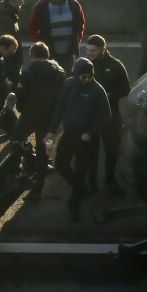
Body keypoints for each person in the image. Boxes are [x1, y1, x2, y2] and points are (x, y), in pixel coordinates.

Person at [46, 57, 112, 221]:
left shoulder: (98, 90)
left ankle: (74, 204)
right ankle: (80, 187)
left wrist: (90, 132)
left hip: (87, 137)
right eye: (83, 77)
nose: (87, 79)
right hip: (70, 133)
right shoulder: (68, 84)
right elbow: (59, 107)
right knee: (61, 164)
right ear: (76, 74)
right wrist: (51, 132)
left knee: (81, 169)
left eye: (89, 76)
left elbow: (106, 117)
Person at [13, 42, 65, 199]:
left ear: (33, 55)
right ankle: (38, 185)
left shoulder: (28, 73)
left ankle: (21, 168)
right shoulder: (59, 71)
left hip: (30, 115)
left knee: (15, 140)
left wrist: (22, 109)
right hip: (49, 117)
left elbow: (20, 97)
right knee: (44, 151)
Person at [83, 35, 130, 195]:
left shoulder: (116, 65)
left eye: (93, 50)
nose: (89, 53)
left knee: (112, 150)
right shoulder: (84, 65)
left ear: (103, 49)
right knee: (90, 151)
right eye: (87, 49)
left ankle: (110, 178)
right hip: (90, 117)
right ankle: (91, 181)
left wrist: (111, 95)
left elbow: (126, 89)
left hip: (110, 115)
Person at [27, 0, 85, 72]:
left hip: (68, 52)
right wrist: (41, 44)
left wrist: (77, 39)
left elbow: (81, 24)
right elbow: (31, 27)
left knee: (67, 75)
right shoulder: (42, 6)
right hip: (49, 52)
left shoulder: (73, 4)